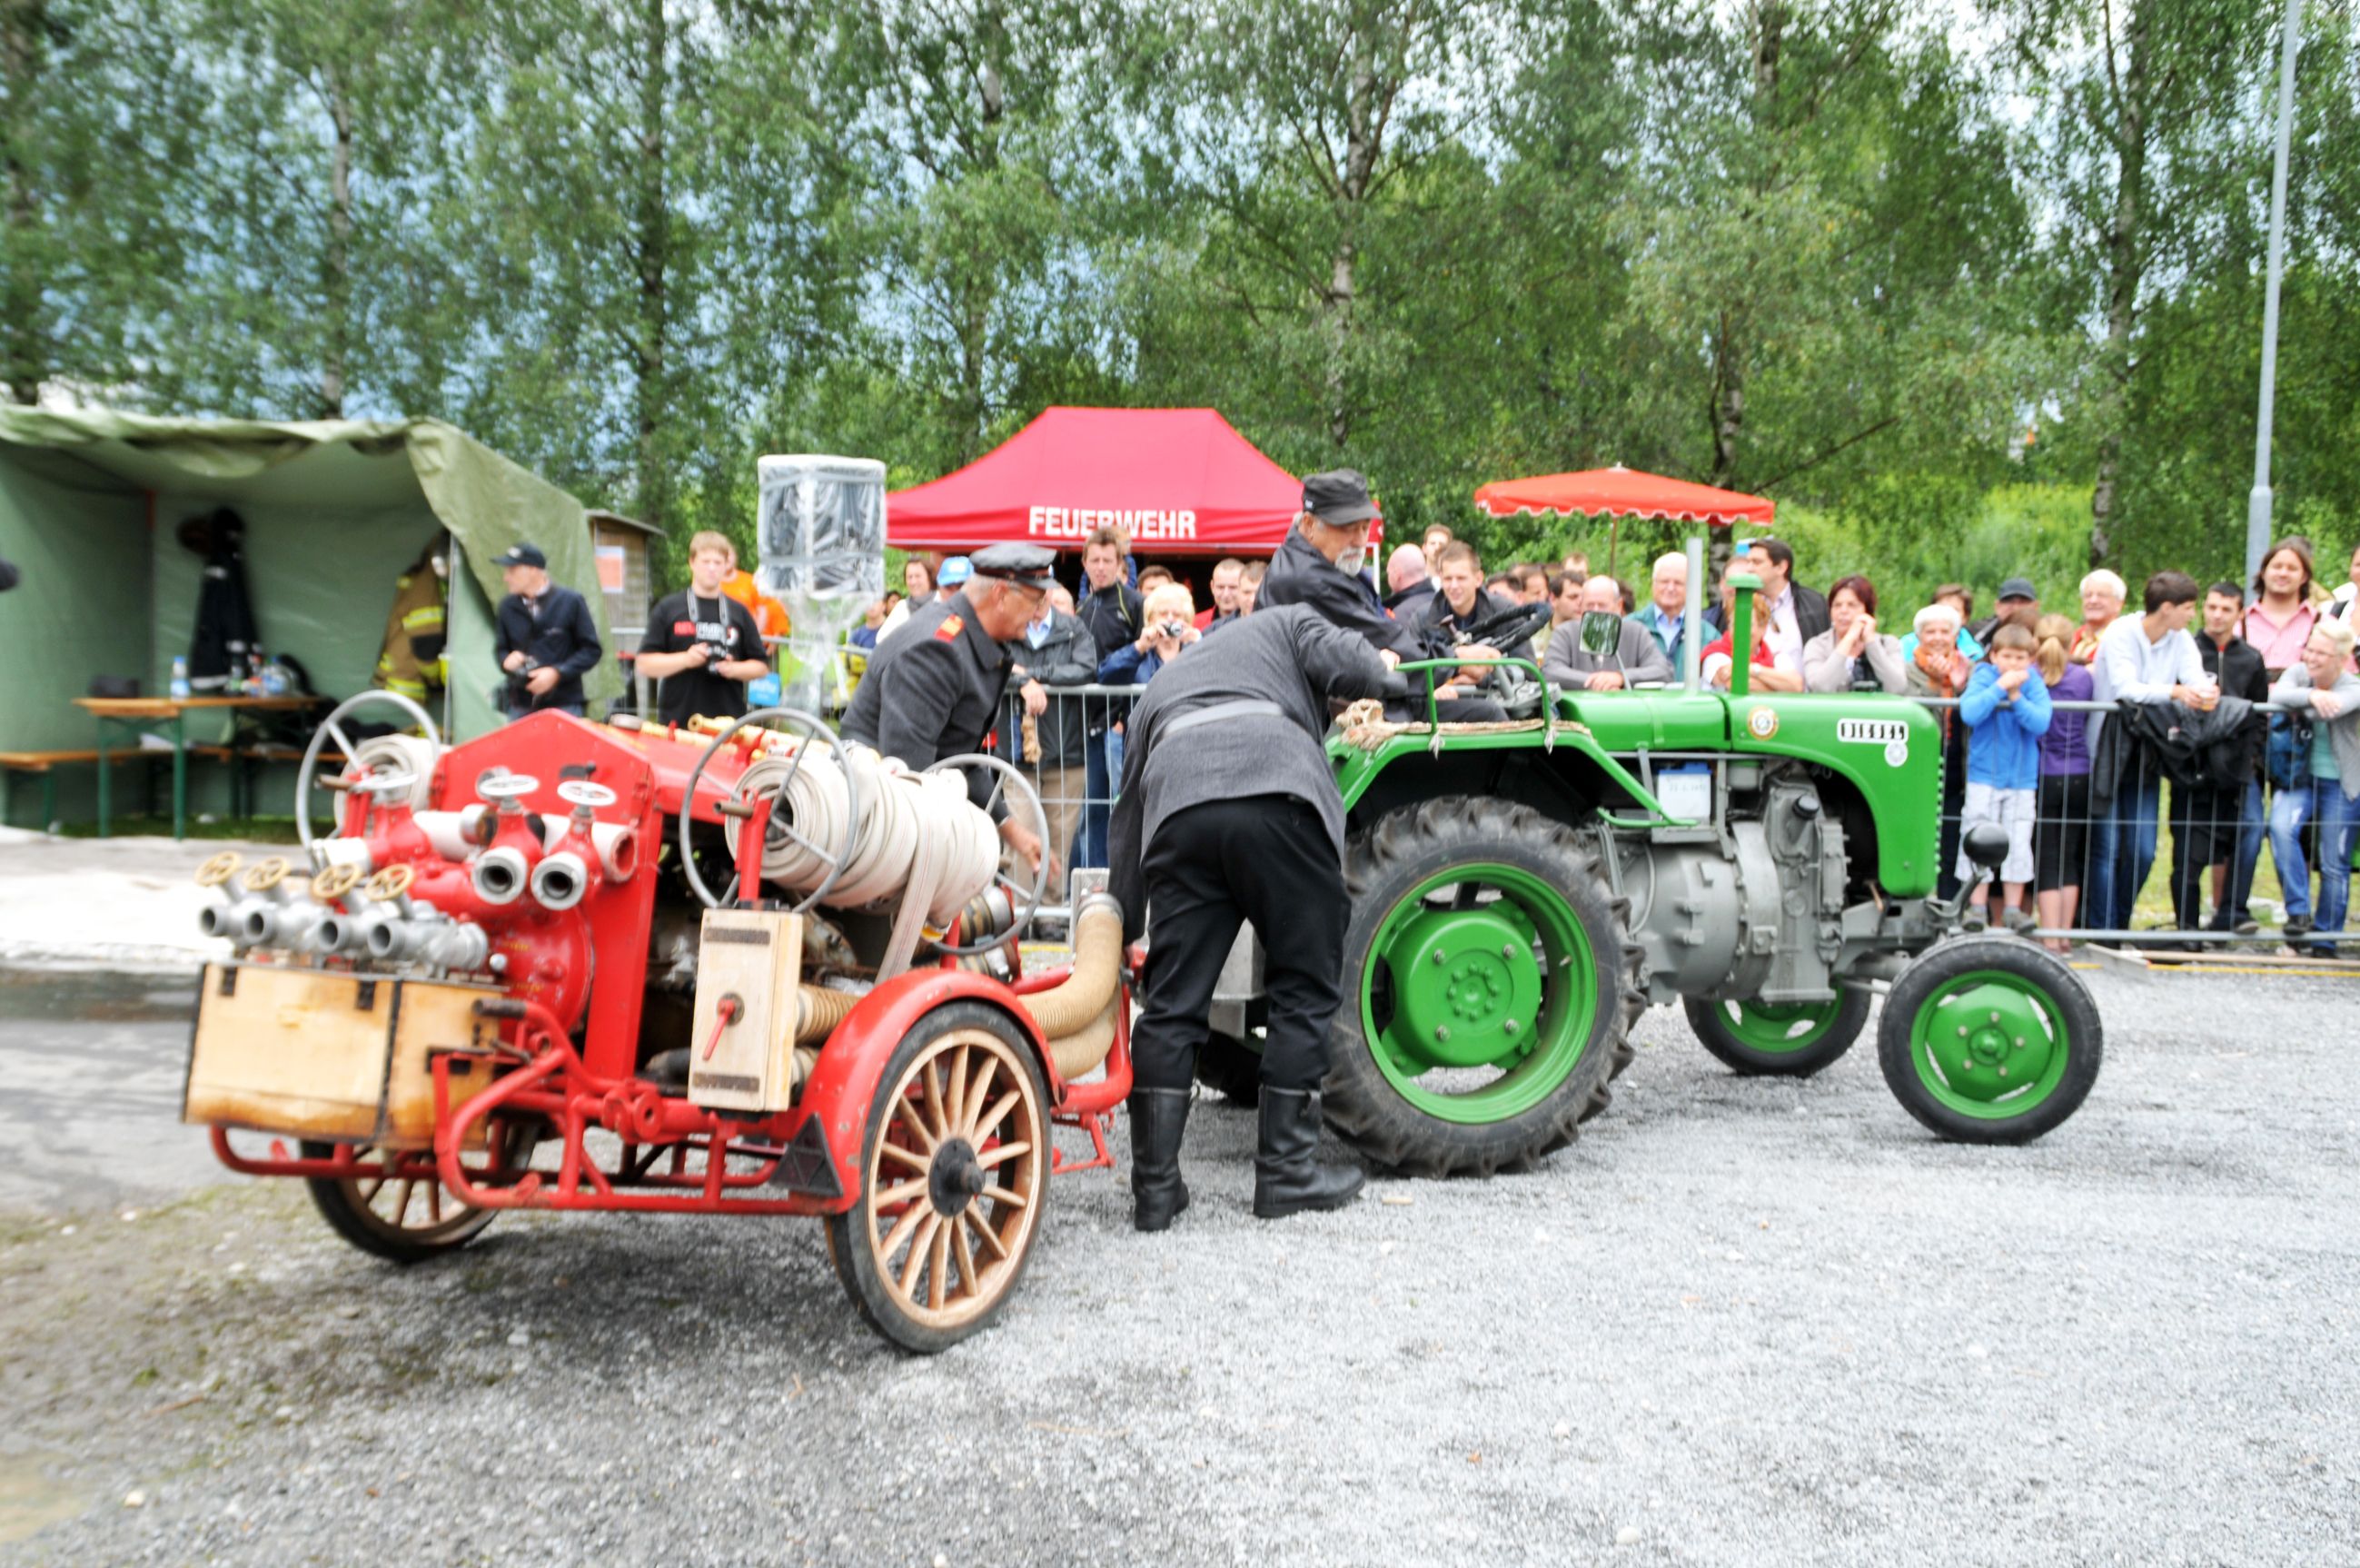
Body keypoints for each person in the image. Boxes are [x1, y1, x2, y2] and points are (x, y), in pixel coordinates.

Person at [1109, 604, 1401, 1230]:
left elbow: (1128, 810)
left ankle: (1155, 1193)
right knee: (1303, 987)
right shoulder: (1291, 621)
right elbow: (1356, 667)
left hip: (1180, 809)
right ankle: (1287, 1175)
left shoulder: (1165, 682)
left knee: (1172, 1005)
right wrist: (1387, 672)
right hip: (1277, 796)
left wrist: (1124, 922)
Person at [838, 541, 1051, 873]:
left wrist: (1014, 832)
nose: (1040, 613)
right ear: (1000, 595)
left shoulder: (967, 641)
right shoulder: (936, 650)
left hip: (899, 818)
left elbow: (959, 755)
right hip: (872, 831)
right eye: (1035, 600)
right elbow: (908, 773)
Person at [2086, 571, 2211, 936]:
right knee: (2107, 848)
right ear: (2167, 608)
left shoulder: (2180, 638)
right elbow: (2127, 688)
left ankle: (2120, 924)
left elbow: (2195, 678)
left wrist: (2205, 692)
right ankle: (2101, 928)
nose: (2193, 615)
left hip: (2149, 752)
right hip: (2108, 751)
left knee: (2142, 850)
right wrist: (2176, 693)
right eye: (2188, 608)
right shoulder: (2122, 633)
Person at [2175, 581, 2269, 937]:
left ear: (2239, 613)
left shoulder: (2251, 658)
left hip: (2240, 767)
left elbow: (2260, 714)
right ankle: (2187, 924)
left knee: (2249, 830)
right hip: (2195, 767)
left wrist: (2253, 758)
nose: (2217, 615)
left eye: (2226, 609)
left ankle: (2232, 910)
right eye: (2212, 607)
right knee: (2189, 846)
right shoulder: (2186, 650)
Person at [2266, 617, 2360, 958]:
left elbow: (2332, 711)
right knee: (2279, 828)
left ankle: (2325, 938)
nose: (2312, 658)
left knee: (2334, 861)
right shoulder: (2299, 674)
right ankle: (2299, 911)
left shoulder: (2353, 685)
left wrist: (2305, 701)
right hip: (2300, 777)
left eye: (2322, 653)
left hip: (2341, 781)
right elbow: (2279, 693)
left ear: (2340, 658)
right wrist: (2311, 694)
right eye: (2310, 650)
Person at [999, 573, 1099, 881]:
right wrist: (1022, 682)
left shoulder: (1073, 628)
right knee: (1020, 837)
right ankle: (1018, 914)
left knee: (1060, 840)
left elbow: (1086, 669)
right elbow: (992, 665)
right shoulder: (1006, 626)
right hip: (1018, 754)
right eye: (1032, 591)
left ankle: (1052, 915)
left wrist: (1032, 676)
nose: (1038, 597)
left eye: (1042, 591)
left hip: (1066, 751)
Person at [1956, 623, 2052, 931]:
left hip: (2022, 779)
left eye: (2021, 658)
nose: (2013, 664)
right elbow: (1969, 712)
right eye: (2007, 656)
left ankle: (2012, 908)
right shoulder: (1983, 677)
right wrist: (1999, 689)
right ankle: (1976, 907)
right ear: (1994, 655)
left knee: (2019, 840)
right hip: (1984, 775)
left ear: (2031, 660)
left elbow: (2040, 721)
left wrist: (2016, 696)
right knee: (1977, 835)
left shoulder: (2033, 683)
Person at [636, 530, 771, 727]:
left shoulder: (739, 612)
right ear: (692, 562)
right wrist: (686, 659)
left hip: (728, 724)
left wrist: (734, 669)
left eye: (717, 563)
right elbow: (644, 664)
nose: (711, 568)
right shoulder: (668, 608)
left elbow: (761, 667)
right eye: (705, 561)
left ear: (726, 566)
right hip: (678, 721)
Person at [1074, 528, 1145, 869]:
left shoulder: (1134, 604)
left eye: (1108, 560)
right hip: (1087, 725)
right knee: (1092, 809)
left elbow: (1145, 664)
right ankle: (1094, 881)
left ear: (1120, 564)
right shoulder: (1081, 608)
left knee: (1124, 807)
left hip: (1122, 725)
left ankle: (1127, 879)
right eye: (1095, 560)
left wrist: (1128, 717)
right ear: (1084, 563)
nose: (1101, 567)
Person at [2031, 614, 2096, 954]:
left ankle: (2048, 936)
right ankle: (2065, 935)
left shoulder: (2032, 677)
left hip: (2043, 772)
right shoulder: (2084, 678)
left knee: (2046, 855)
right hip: (2079, 772)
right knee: (2069, 856)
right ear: (2072, 642)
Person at [491, 542, 602, 720]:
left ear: (533, 570)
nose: (506, 578)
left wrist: (558, 673)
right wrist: (506, 661)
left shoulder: (570, 601)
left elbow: (592, 651)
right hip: (520, 706)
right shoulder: (506, 607)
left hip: (565, 705)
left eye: (511, 571)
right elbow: (501, 649)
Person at [1909, 602, 1974, 897]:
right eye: (1930, 631)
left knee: (1951, 840)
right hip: (1920, 763)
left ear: (1955, 635)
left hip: (1958, 764)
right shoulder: (1906, 671)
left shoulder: (1972, 669)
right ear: (1919, 635)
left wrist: (1959, 688)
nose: (1937, 637)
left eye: (1944, 631)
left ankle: (1949, 903)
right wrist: (1935, 685)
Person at [1542, 575, 1672, 690]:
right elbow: (1550, 670)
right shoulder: (1566, 632)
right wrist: (1597, 682)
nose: (1596, 611)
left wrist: (1620, 677)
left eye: (1602, 605)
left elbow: (1663, 671)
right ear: (1581, 606)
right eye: (1590, 605)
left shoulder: (1636, 632)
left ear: (1619, 606)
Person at [372, 539, 449, 708]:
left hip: (401, 672)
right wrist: (438, 680)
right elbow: (426, 644)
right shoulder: (427, 587)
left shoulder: (422, 577)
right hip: (408, 678)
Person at [1800, 575, 1908, 693]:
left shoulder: (1888, 643)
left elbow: (1898, 687)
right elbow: (1819, 687)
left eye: (1852, 605)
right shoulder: (1817, 645)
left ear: (1867, 611)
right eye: (1837, 605)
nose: (1843, 611)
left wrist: (1871, 643)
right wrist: (1849, 639)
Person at [1740, 538, 1829, 673]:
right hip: (1756, 690)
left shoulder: (1814, 603)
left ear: (1781, 567)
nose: (1749, 568)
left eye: (1756, 562)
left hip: (1805, 692)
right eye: (1748, 562)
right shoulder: (1742, 603)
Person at [1700, 580, 1802, 692]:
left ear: (1762, 629)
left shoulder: (1776, 656)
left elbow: (1797, 685)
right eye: (1735, 624)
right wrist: (1777, 686)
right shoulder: (1716, 655)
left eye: (1748, 625)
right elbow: (1736, 683)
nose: (1741, 631)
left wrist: (1753, 669)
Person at [2243, 537, 2321, 679]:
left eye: (2292, 569)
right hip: (2248, 700)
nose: (2283, 573)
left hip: (2303, 700)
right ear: (2263, 572)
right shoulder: (2238, 622)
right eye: (2277, 566)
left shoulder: (2323, 624)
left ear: (2304, 577)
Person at [1098, 582, 1201, 686]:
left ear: (1186, 620)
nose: (1170, 619)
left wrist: (1200, 645)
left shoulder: (1194, 652)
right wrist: (1140, 647)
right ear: (1151, 619)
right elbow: (1105, 675)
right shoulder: (1140, 654)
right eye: (1163, 613)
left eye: (1177, 614)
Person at [1631, 551, 1713, 671]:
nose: (1670, 588)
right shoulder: (1630, 627)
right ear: (1653, 585)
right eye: (1664, 581)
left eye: (1678, 583)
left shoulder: (1707, 635)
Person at [2069, 569, 2127, 665]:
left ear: (2119, 604)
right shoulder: (2070, 638)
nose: (2093, 600)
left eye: (2102, 595)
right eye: (2088, 595)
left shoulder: (2124, 643)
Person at [1965, 578, 2037, 653]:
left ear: (2035, 606)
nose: (2016, 608)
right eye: (2009, 601)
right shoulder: (1977, 633)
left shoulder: (2044, 633)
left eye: (2023, 602)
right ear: (1997, 606)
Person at [876, 557, 936, 647]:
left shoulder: (941, 603)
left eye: (918, 576)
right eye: (909, 577)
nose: (913, 581)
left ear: (929, 578)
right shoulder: (902, 607)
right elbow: (881, 639)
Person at [1382, 543, 1434, 618]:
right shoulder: (1443, 604)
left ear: (1397, 574)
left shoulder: (1399, 614)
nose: (1388, 577)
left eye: (1389, 572)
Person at [1194, 558, 1245, 631]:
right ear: (1212, 587)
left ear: (1244, 587)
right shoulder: (1196, 623)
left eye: (1233, 587)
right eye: (1220, 587)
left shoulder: (1255, 620)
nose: (1226, 594)